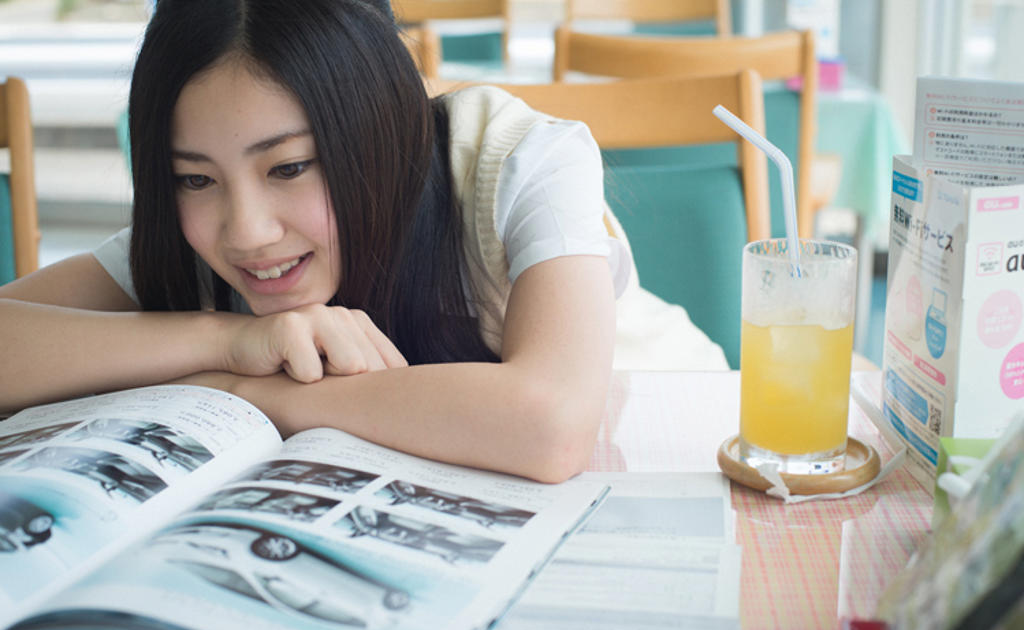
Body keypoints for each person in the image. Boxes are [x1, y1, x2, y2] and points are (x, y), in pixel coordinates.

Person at [0, 0, 726, 483]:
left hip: (682, 468)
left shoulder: (521, 162)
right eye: (194, 178)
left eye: (289, 166)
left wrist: (244, 392)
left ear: (378, 128)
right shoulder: (199, 241)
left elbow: (553, 423)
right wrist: (224, 342)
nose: (246, 231)